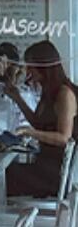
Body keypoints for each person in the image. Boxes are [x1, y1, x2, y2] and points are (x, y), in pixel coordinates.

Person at [5, 40, 78, 198]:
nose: (28, 71)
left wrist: (30, 132)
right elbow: (39, 124)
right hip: (45, 163)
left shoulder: (65, 94)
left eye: (31, 66)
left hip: (55, 173)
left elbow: (64, 138)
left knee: (3, 177)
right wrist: (17, 98)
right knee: (6, 173)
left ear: (43, 66)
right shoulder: (49, 91)